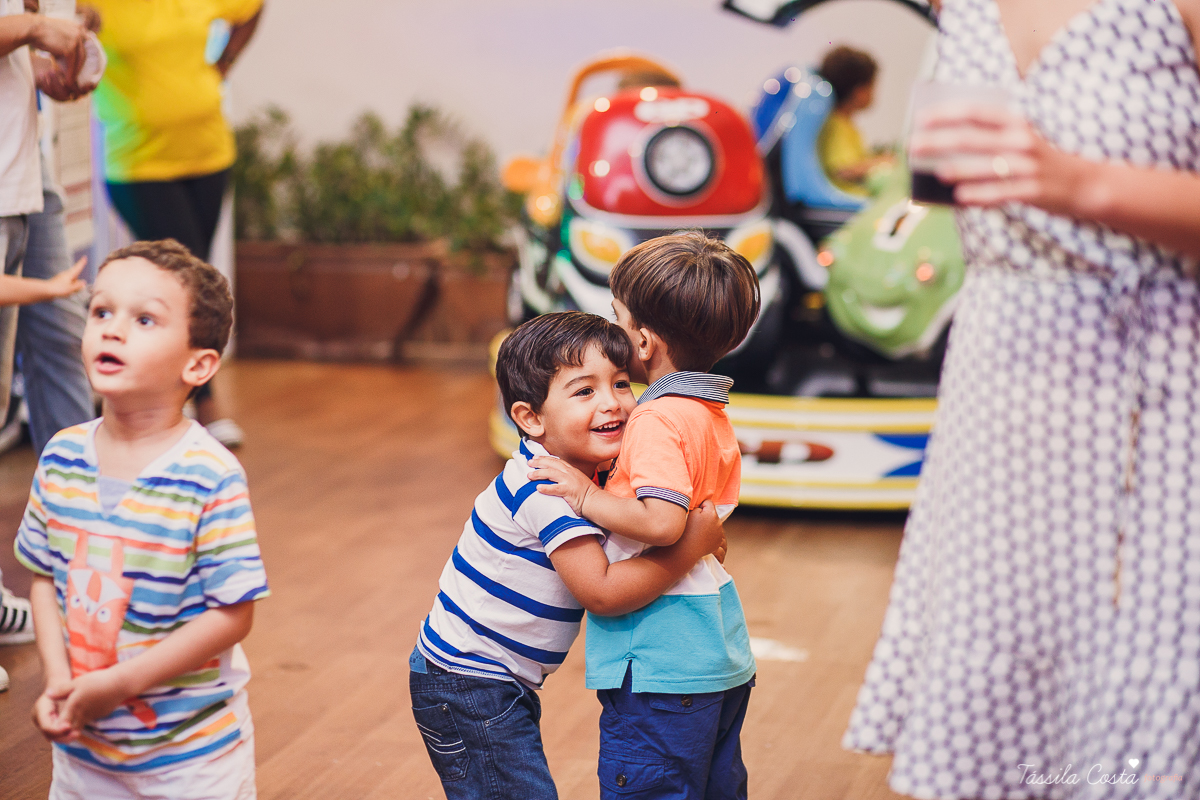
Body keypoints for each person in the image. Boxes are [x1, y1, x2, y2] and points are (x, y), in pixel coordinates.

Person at [842, 0, 1200, 797]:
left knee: (1150, 662)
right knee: (1008, 663)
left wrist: (1081, 182)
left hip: (1161, 380)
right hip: (1001, 374)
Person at [411, 310, 726, 800]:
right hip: (467, 682)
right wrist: (689, 549)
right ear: (530, 418)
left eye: (621, 384)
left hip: (493, 682)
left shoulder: (593, 475)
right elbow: (601, 592)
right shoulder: (545, 485)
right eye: (584, 391)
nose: (613, 403)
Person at [16, 239, 269, 797]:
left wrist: (121, 683)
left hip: (191, 759)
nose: (112, 330)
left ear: (198, 364)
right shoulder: (61, 457)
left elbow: (233, 614)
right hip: (82, 754)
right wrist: (59, 680)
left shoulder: (209, 475)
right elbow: (44, 578)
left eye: (145, 319)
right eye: (101, 311)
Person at [530, 232, 760, 800]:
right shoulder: (709, 411)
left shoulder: (657, 417)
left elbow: (663, 523)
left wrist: (585, 496)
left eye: (617, 318)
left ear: (641, 339)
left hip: (662, 660)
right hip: (715, 648)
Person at [90, 0, 265, 447]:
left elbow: (253, 8)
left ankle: (174, 398)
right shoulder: (99, 4)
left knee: (192, 280)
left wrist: (224, 62)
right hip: (139, 162)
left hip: (209, 152)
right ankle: (202, 404)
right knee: (186, 285)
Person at [0, 0, 93, 692]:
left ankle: (88, 559)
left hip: (28, 173)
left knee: (63, 347)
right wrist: (36, 31)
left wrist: (41, 67)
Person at [816, 45, 894, 195]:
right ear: (859, 92)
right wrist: (884, 161)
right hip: (850, 197)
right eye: (871, 86)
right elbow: (843, 170)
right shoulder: (836, 125)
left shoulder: (844, 123)